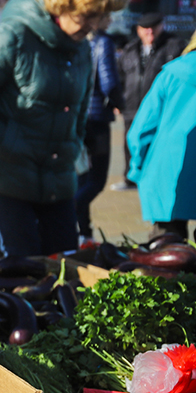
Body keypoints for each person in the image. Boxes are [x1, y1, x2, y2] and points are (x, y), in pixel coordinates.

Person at [0, 0, 130, 259]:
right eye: (88, 16)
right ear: (65, 3)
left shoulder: (80, 47)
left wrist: (73, 148)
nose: (96, 25)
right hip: (7, 172)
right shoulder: (15, 35)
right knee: (22, 269)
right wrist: (10, 141)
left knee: (64, 264)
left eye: (100, 17)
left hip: (58, 173)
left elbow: (81, 106)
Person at [127, 30, 196, 241]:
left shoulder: (171, 73)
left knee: (167, 254)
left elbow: (141, 130)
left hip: (167, 169)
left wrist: (137, 169)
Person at [111, 11, 184, 191]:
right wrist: (116, 101)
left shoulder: (174, 46)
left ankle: (157, 181)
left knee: (159, 144)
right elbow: (119, 76)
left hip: (162, 107)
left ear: (162, 26)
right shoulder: (130, 49)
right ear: (138, 30)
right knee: (131, 142)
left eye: (154, 29)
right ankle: (131, 179)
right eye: (146, 29)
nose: (149, 33)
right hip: (132, 105)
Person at [75, 14, 124, 242]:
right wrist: (119, 104)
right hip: (96, 118)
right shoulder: (103, 42)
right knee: (96, 180)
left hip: (77, 117)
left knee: (81, 177)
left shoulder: (78, 40)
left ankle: (85, 233)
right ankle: (70, 211)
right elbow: (109, 81)